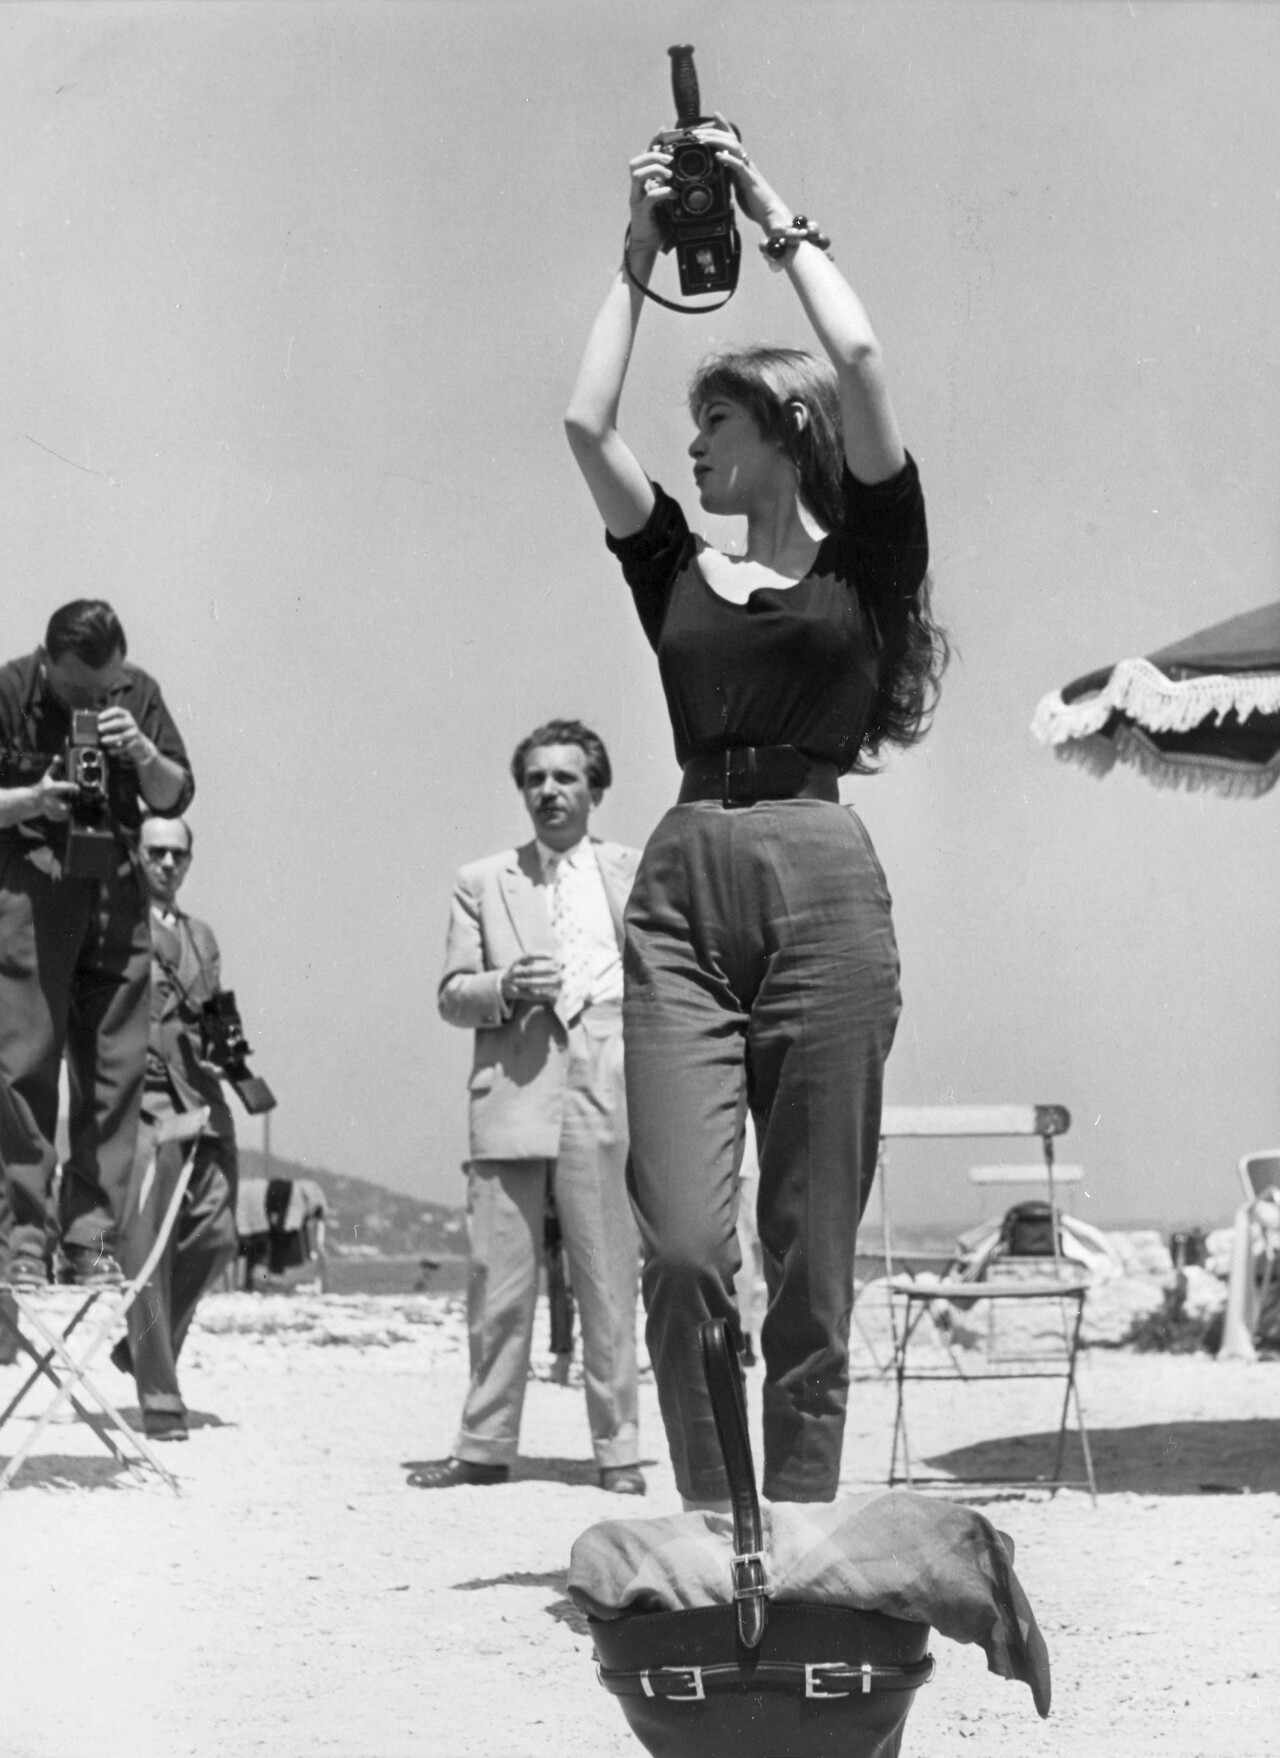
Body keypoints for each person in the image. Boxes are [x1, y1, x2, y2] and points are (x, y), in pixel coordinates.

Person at [564, 125, 947, 1508]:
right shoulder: (671, 564)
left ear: (783, 434)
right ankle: (717, 1518)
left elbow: (861, 360)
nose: (690, 447)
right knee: (678, 1244)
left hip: (821, 876)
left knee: (810, 1251)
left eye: (713, 425)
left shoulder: (868, 565)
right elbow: (584, 426)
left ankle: (790, 1520)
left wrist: (762, 203)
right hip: (682, 883)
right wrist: (640, 256)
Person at [413, 720, 645, 1493]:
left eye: (565, 777)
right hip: (511, 1086)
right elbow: (452, 995)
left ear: (594, 790)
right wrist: (504, 987)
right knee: (499, 1279)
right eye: (536, 779)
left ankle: (618, 1452)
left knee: (606, 1276)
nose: (549, 791)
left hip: (606, 1076)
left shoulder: (635, 870)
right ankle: (483, 1447)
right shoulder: (483, 880)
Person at [0, 601, 193, 1289]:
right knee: (23, 1066)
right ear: (47, 659)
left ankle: (91, 1241)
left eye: (102, 689)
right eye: (76, 690)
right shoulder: (9, 691)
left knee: (115, 1072)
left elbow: (174, 796)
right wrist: (32, 800)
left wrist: (141, 751)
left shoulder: (138, 693)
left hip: (115, 888)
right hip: (32, 885)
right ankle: (24, 1241)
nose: (91, 701)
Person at [109, 814, 239, 1441]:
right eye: (155, 852)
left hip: (201, 1100)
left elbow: (210, 1014)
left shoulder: (201, 935)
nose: (165, 864)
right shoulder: (114, 925)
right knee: (144, 1248)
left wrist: (226, 1053)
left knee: (217, 1236)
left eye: (176, 855)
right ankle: (160, 1395)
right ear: (136, 854)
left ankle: (138, 1347)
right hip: (139, 1100)